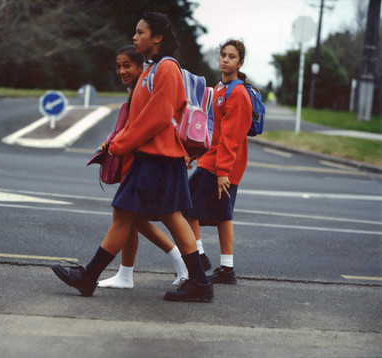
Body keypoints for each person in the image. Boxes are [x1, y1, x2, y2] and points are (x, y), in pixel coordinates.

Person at [51, 11, 213, 302]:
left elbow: (156, 118)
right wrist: (117, 140)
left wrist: (121, 144)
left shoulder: (166, 69)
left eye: (140, 32)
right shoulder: (150, 70)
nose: (134, 37)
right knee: (163, 217)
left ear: (157, 37)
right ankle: (200, 283)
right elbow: (136, 116)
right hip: (154, 158)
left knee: (132, 214)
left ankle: (89, 277)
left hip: (157, 158)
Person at [96, 45, 188, 288]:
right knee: (130, 218)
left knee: (137, 216)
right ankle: (125, 275)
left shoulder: (148, 84)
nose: (122, 70)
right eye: (118, 66)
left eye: (127, 65)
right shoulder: (137, 89)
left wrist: (118, 144)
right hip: (134, 160)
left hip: (144, 161)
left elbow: (145, 125)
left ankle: (184, 264)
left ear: (141, 67)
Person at [184, 39, 252, 285]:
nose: (226, 59)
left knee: (186, 205)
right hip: (214, 160)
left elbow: (232, 137)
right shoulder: (220, 89)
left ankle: (199, 256)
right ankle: (226, 269)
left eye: (232, 57)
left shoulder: (238, 93)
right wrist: (194, 153)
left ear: (240, 62)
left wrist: (223, 170)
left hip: (222, 165)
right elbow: (214, 131)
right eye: (223, 55)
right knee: (223, 215)